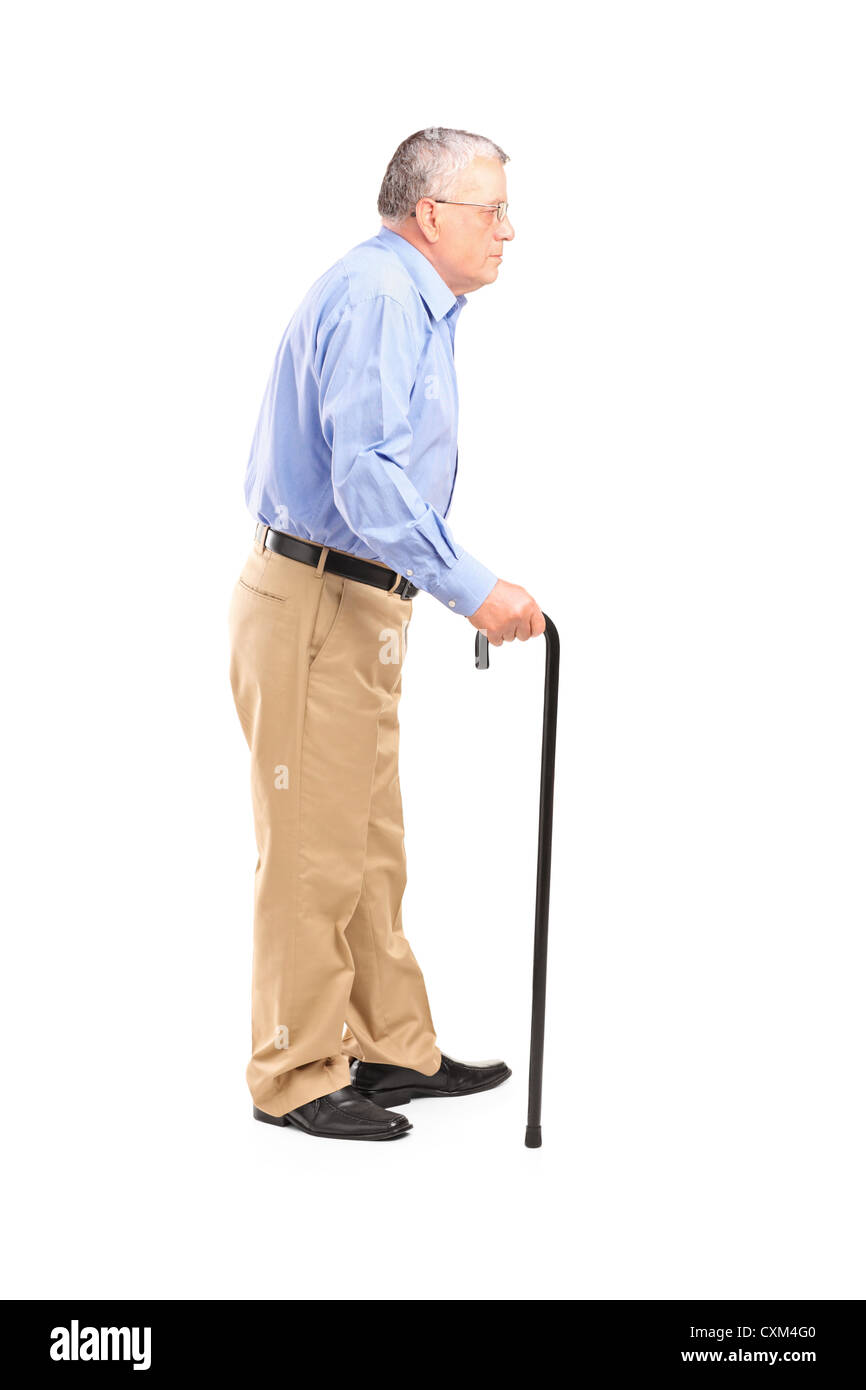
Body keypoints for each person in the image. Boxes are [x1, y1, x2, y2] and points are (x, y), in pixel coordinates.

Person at [229, 126, 545, 1143]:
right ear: (428, 216)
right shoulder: (379, 299)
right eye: (490, 208)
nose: (507, 228)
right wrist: (470, 586)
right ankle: (291, 1072)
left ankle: (388, 1046)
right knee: (313, 858)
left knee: (365, 846)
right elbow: (365, 476)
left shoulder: (411, 299)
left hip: (355, 602)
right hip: (317, 602)